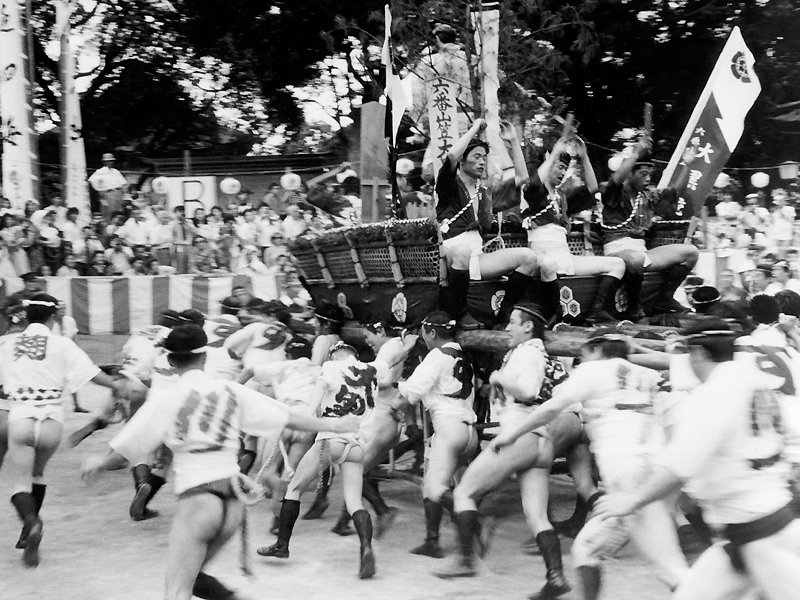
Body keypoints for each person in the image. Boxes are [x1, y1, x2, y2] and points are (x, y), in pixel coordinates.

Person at [81, 324, 358, 600]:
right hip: (232, 502)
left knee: (177, 590)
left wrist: (100, 462)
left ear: (170, 361)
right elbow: (289, 417)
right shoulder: (230, 390)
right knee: (194, 579)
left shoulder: (167, 398)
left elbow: (130, 445)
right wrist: (335, 425)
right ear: (204, 356)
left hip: (199, 501)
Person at [596, 321, 800, 600]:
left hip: (761, 533)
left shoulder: (714, 393)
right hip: (743, 532)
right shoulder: (751, 379)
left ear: (699, 353)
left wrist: (632, 500)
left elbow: (681, 465)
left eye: (686, 352)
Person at [493, 330, 690, 600]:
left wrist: (512, 435)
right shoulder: (651, 376)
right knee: (585, 548)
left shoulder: (592, 370)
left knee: (672, 569)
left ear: (596, 350)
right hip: (654, 478)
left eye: (583, 353)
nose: (582, 359)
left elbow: (551, 408)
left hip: (630, 479)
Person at [434, 303, 578, 600]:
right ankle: (555, 576)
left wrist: (499, 377)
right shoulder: (534, 353)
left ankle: (464, 560)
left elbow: (528, 391)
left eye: (513, 322)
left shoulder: (527, 352)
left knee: (464, 493)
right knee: (537, 516)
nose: (508, 327)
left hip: (519, 436)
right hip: (539, 441)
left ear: (528, 327)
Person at [2, 293, 118, 567]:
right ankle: (28, 530)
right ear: (54, 317)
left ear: (26, 316)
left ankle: (31, 523)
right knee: (37, 475)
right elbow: (92, 374)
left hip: (21, 416)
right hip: (51, 418)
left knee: (20, 483)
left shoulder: (6, 343)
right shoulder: (62, 343)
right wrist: (116, 386)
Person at [257, 341, 387, 580]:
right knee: (354, 501)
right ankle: (366, 549)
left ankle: (282, 545)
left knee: (294, 488)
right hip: (357, 445)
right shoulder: (372, 371)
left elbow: (316, 398)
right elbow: (389, 365)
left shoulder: (331, 367)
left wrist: (308, 415)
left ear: (336, 354)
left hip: (330, 440)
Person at [437, 118, 542, 329]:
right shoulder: (449, 184)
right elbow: (451, 156)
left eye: (484, 157)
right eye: (476, 157)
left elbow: (522, 178)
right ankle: (461, 313)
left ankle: (505, 313)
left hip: (477, 257)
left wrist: (514, 142)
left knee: (529, 258)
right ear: (463, 161)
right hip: (450, 254)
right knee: (462, 251)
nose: (482, 162)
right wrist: (475, 127)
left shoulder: (485, 191)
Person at [397, 311, 478, 559]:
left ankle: (472, 525)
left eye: (424, 332)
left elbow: (411, 393)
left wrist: (396, 384)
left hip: (449, 429)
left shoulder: (437, 355)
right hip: (468, 431)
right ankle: (432, 541)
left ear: (432, 332)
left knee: (435, 488)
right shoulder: (464, 355)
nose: (423, 336)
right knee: (430, 484)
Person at [520, 133, 625, 323]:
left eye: (565, 168)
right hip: (541, 257)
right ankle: (557, 313)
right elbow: (535, 182)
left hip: (565, 257)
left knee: (618, 264)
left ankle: (597, 310)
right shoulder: (534, 193)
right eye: (559, 167)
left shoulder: (562, 197)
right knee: (547, 264)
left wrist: (584, 157)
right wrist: (554, 154)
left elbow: (592, 188)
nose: (563, 173)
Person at [330, 321, 419, 538]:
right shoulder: (395, 346)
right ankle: (343, 521)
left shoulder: (391, 347)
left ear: (380, 331)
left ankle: (383, 510)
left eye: (368, 336)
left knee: (353, 470)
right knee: (362, 470)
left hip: (382, 420)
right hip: (385, 420)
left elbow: (386, 380)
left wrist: (360, 376)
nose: (367, 342)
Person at [600, 136, 699, 319]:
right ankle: (634, 305)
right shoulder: (614, 193)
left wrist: (688, 164)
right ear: (630, 173)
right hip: (617, 250)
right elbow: (615, 180)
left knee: (691, 252)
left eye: (649, 174)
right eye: (643, 174)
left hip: (642, 253)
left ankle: (664, 300)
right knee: (636, 258)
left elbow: (675, 191)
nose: (647, 179)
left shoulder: (648, 196)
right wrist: (635, 153)